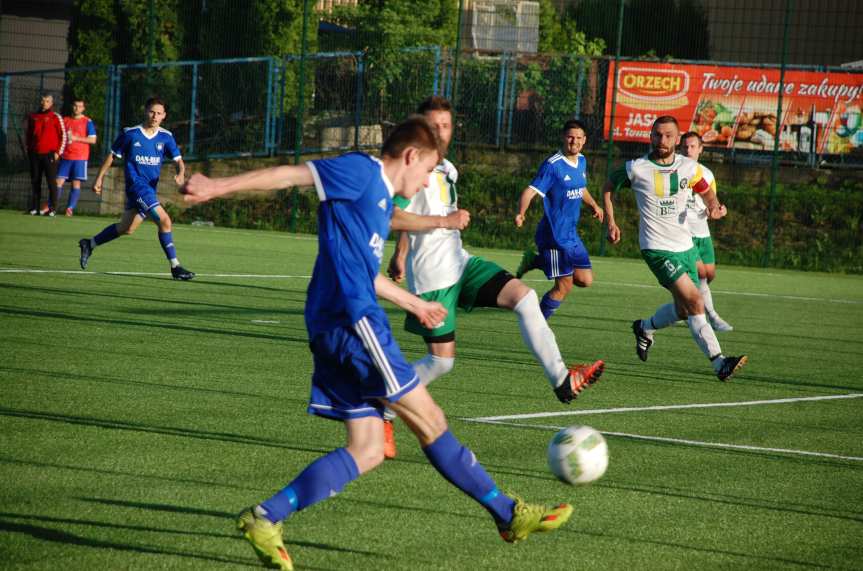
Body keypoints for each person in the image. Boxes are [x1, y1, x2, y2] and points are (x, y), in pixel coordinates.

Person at [181, 116, 574, 571]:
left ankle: (265, 517)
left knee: (367, 449)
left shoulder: (380, 196)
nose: (428, 179)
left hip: (338, 323)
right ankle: (508, 514)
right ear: (410, 156)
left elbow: (362, 269)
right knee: (429, 419)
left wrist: (414, 303)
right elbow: (292, 174)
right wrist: (216, 187)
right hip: (354, 325)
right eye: (427, 169)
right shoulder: (362, 171)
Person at [385, 97, 605, 459]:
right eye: (432, 125)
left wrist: (401, 251)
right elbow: (393, 215)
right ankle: (383, 409)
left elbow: (427, 214)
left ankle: (562, 380)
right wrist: (425, 238)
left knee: (525, 297)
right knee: (441, 361)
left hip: (460, 262)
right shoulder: (408, 164)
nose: (440, 131)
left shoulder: (448, 168)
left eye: (446, 124)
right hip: (432, 277)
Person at [603, 115, 747, 381]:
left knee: (683, 310)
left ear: (677, 139)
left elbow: (706, 191)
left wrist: (714, 206)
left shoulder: (689, 167)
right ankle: (719, 363)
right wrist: (611, 221)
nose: (662, 140)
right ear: (650, 136)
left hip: (686, 246)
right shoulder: (636, 167)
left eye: (668, 135)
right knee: (695, 301)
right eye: (657, 135)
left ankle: (645, 328)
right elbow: (609, 187)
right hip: (656, 248)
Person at [78, 97, 194, 280]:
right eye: (152, 112)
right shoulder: (130, 134)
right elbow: (111, 156)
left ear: (164, 116)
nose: (155, 116)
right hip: (136, 188)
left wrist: (180, 174)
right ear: (145, 111)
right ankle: (175, 266)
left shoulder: (166, 137)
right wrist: (99, 178)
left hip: (149, 189)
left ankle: (89, 243)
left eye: (159, 113)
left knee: (127, 228)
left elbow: (179, 161)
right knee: (165, 221)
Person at [514, 119, 604, 320]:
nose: (574, 141)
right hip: (554, 236)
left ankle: (535, 260)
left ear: (584, 140)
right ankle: (537, 326)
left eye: (579, 138)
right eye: (571, 137)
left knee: (585, 280)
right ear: (564, 138)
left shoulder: (581, 160)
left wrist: (594, 205)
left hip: (571, 234)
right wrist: (521, 213)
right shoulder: (552, 165)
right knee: (564, 286)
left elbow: (580, 188)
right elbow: (530, 192)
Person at [680, 131, 733, 332]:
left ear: (701, 149)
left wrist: (719, 211)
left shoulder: (707, 174)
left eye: (693, 146)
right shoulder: (675, 171)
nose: (689, 150)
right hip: (685, 233)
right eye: (685, 146)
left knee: (709, 275)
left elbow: (712, 204)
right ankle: (713, 317)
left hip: (703, 233)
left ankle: (683, 307)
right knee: (700, 275)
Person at [26, 93, 66, 216]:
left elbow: (63, 135)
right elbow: (28, 135)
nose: (44, 103)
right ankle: (34, 208)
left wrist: (58, 153)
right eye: (43, 100)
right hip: (35, 154)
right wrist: (29, 150)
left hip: (50, 155)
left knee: (51, 182)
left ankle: (52, 208)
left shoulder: (55, 117)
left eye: (47, 101)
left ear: (51, 103)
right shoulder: (33, 116)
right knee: (35, 181)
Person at [56, 99, 97, 217]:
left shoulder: (87, 122)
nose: (76, 108)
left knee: (76, 183)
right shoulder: (65, 120)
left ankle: (70, 208)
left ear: (83, 108)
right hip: (65, 156)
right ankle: (51, 205)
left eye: (79, 106)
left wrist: (75, 138)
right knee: (58, 182)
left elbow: (93, 140)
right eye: (75, 106)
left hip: (80, 157)